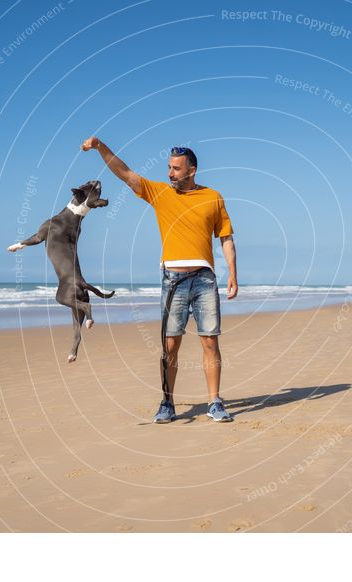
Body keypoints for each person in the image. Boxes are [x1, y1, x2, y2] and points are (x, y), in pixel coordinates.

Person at [82, 137, 238, 423]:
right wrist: (102, 147)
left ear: (191, 170)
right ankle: (167, 403)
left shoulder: (213, 197)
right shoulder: (159, 193)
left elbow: (226, 237)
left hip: (205, 279)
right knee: (170, 346)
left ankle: (214, 402)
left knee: (210, 343)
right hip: (173, 280)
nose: (170, 174)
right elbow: (126, 173)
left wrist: (233, 274)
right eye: (169, 168)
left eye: (176, 169)